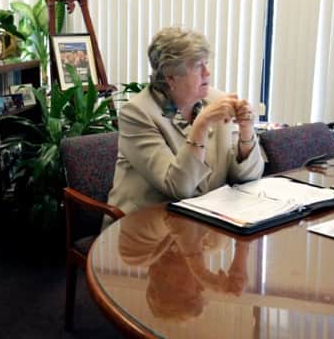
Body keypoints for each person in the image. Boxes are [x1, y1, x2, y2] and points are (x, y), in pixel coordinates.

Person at [107, 27, 264, 220]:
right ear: (171, 77)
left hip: (205, 219)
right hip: (146, 223)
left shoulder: (217, 100)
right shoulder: (138, 113)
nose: (207, 72)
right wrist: (201, 125)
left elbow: (249, 177)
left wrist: (246, 131)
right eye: (198, 66)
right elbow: (177, 187)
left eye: (206, 63)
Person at [119, 206, 250, 322]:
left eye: (197, 291)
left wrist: (201, 272)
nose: (203, 286)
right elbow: (241, 206)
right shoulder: (213, 243)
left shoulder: (135, 253)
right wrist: (240, 261)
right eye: (201, 291)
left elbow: (175, 212)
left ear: (168, 281)